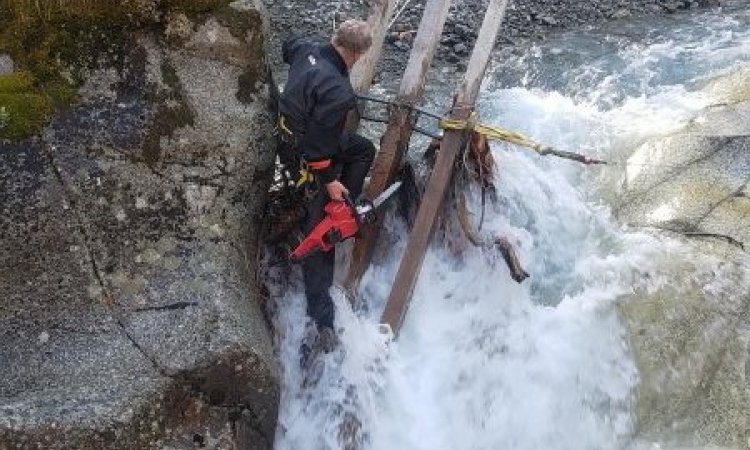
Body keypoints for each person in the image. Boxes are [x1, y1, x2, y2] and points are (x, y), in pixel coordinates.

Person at [277, 20, 376, 335]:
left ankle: (347, 204)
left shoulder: (306, 50)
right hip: (304, 154)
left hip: (290, 133)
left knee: (362, 149)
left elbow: (287, 44)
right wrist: (331, 183)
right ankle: (321, 317)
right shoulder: (338, 91)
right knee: (324, 231)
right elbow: (317, 150)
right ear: (358, 55)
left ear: (334, 39)